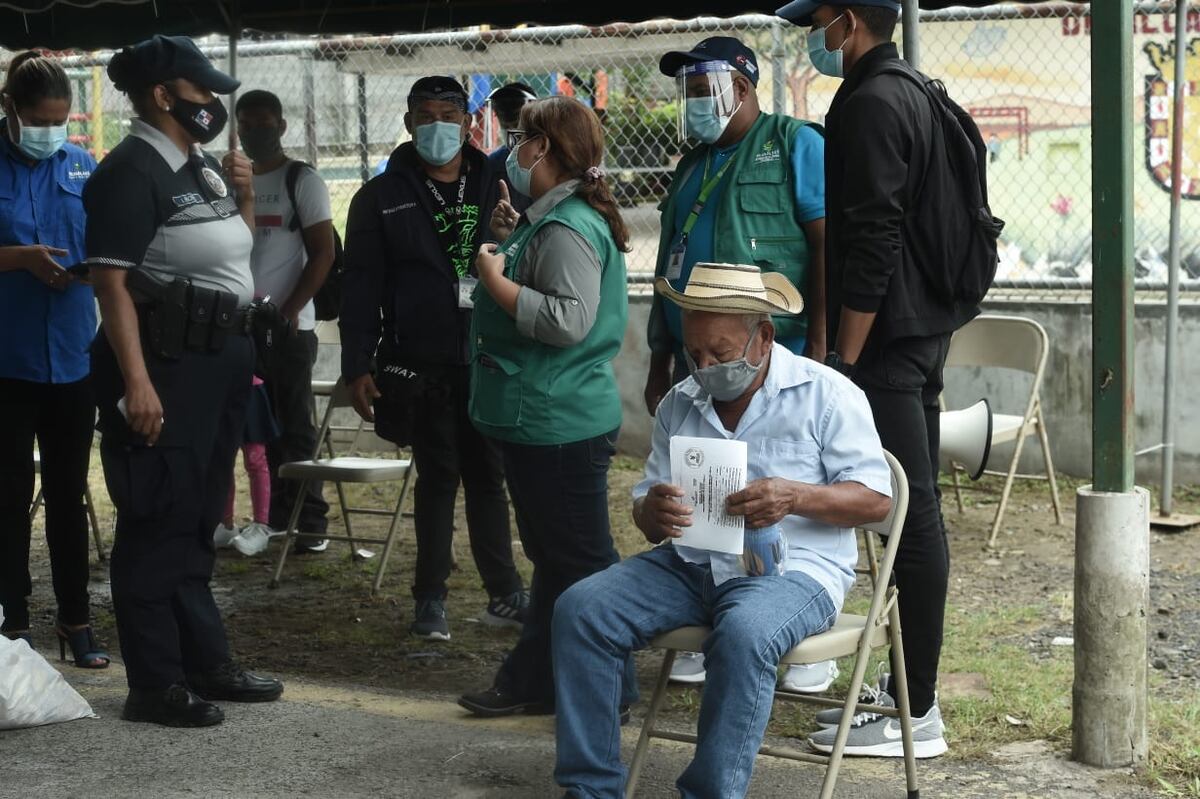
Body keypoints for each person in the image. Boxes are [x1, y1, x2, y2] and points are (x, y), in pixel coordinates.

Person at [551, 263, 892, 798]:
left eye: (722, 353)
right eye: (696, 354)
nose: (706, 367)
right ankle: (590, 789)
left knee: (745, 632)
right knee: (582, 609)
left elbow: (876, 500)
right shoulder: (679, 402)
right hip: (692, 564)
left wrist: (796, 495)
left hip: (795, 572)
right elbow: (648, 501)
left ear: (764, 338)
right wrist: (651, 512)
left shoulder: (826, 394)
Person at [777, 0, 980, 758]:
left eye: (818, 20)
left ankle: (915, 709)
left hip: (888, 341)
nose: (813, 37)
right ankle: (897, 683)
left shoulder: (869, 101)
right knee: (906, 512)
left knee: (909, 512)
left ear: (849, 22)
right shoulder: (914, 87)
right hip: (924, 328)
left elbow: (872, 237)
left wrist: (846, 360)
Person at [84, 34, 282, 727]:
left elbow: (233, 251)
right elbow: (109, 283)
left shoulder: (199, 165)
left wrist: (247, 198)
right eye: (201, 92)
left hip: (219, 353)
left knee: (199, 514)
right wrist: (136, 383)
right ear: (164, 95)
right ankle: (154, 681)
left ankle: (205, 659)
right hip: (166, 363)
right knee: (158, 513)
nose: (213, 103)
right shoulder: (130, 170)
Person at [645, 35, 834, 694]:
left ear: (745, 87)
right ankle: (712, 619)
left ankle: (805, 646)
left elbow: (825, 249)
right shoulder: (690, 165)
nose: (694, 101)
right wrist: (661, 351)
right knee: (705, 487)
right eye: (688, 90)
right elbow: (668, 261)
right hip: (697, 359)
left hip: (773, 357)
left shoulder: (795, 145)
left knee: (784, 488)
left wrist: (824, 347)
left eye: (705, 88)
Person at [457, 97, 632, 718]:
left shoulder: (565, 226)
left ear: (548, 152)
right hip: (544, 415)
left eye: (526, 138)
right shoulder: (550, 219)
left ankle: (612, 689)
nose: (516, 148)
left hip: (556, 420)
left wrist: (493, 276)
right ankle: (533, 679)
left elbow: (566, 321)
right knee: (557, 561)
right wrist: (510, 241)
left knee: (582, 562)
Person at [341, 75, 527, 641]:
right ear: (408, 123)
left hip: (488, 353)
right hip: (419, 360)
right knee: (438, 475)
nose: (439, 127)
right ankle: (430, 599)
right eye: (427, 116)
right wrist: (357, 363)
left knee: (489, 475)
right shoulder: (381, 195)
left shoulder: (500, 181)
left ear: (470, 125)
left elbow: (529, 256)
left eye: (450, 116)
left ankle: (506, 592)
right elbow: (361, 285)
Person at [0, 52, 107, 669]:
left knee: (70, 494)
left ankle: (76, 621)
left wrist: (90, 269)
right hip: (7, 363)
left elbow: (104, 246)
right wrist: (19, 259)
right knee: (8, 496)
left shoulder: (81, 165)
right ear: (10, 109)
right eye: (40, 120)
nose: (52, 132)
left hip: (71, 358)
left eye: (61, 121)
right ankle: (12, 622)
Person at [235, 89, 335, 552]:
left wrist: (291, 310)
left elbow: (323, 254)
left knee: (295, 423)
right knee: (262, 424)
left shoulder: (302, 180)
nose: (257, 133)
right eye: (247, 125)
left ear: (282, 126)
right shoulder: (236, 181)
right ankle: (275, 516)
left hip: (292, 327)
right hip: (243, 324)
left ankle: (310, 520)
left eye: (265, 124)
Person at [213, 374, 279, 557]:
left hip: (248, 387)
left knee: (255, 459)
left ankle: (261, 526)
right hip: (218, 388)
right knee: (222, 460)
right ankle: (225, 524)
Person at [484, 82, 537, 213]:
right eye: (506, 126)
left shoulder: (556, 161)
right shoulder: (494, 165)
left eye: (517, 123)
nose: (513, 131)